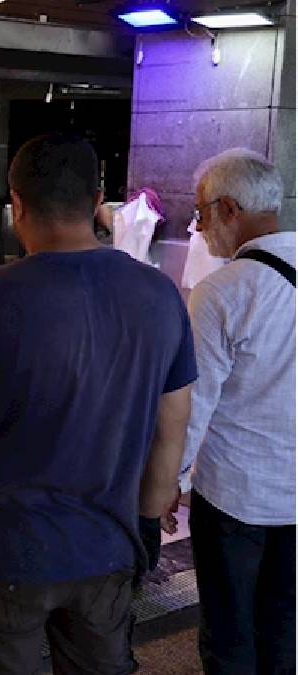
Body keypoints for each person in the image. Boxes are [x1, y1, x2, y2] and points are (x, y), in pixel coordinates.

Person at [0, 134, 196, 674]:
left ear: (16, 205)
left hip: (5, 553)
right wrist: (148, 523)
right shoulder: (159, 295)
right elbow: (172, 424)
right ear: (98, 203)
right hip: (109, 548)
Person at [172, 148, 294, 675]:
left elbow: (194, 404)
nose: (199, 230)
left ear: (228, 209)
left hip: (235, 495)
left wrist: (170, 482)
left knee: (229, 629)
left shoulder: (221, 292)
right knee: (284, 626)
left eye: (200, 214)